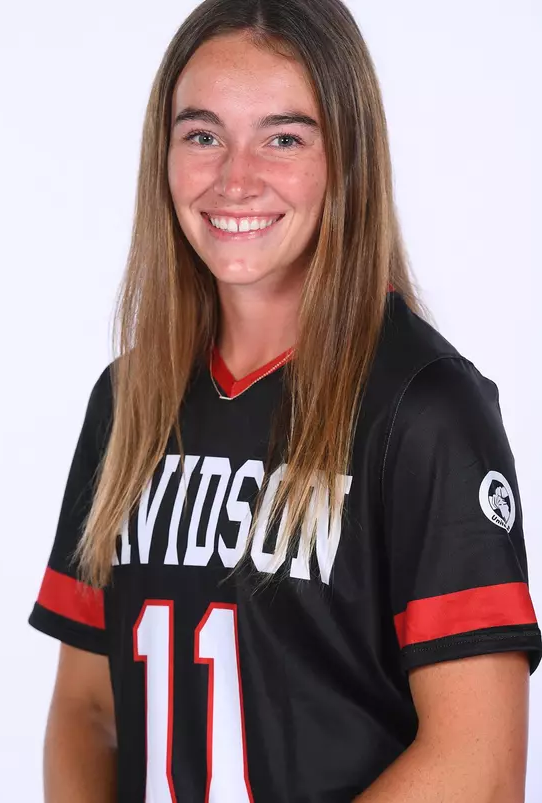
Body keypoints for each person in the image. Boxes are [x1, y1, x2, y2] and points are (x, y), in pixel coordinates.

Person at [28, 1, 541, 801]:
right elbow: (88, 708)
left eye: (283, 138)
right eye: (202, 135)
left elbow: (477, 767)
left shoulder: (424, 410)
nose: (235, 178)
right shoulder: (127, 401)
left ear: (348, 159)